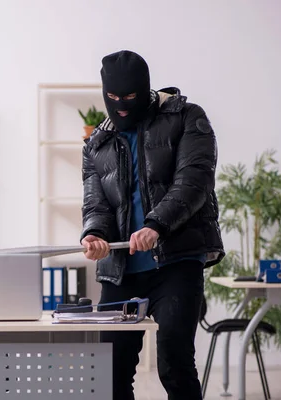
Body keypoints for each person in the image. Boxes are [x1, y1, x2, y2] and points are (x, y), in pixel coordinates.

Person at [80, 50, 225, 400]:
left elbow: (194, 180)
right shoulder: (95, 144)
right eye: (112, 98)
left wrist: (157, 225)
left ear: (144, 90)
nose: (121, 106)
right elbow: (95, 202)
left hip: (176, 260)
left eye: (129, 97)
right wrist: (94, 233)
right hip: (121, 270)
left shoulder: (187, 117)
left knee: (174, 363)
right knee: (110, 372)